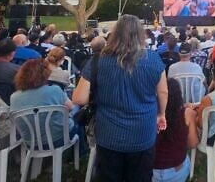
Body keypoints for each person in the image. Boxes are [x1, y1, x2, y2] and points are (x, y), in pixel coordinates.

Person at [72, 14, 167, 182]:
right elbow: (163, 92)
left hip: (109, 135)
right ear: (140, 35)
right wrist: (161, 114)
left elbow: (79, 98)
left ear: (115, 34)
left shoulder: (98, 60)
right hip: (142, 134)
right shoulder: (153, 59)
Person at [10, 59, 75, 146]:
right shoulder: (54, 90)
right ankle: (82, 150)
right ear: (45, 74)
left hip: (31, 143)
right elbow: (71, 107)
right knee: (77, 113)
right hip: (58, 138)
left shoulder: (14, 97)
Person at [152, 79, 199, 181]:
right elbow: (193, 143)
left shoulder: (149, 113)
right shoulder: (187, 114)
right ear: (179, 96)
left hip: (152, 171)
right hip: (177, 171)